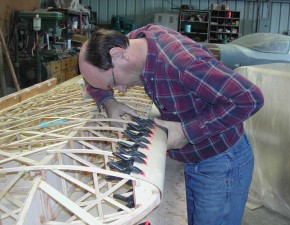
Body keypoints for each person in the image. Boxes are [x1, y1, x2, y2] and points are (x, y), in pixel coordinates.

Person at [79, 24, 264, 225]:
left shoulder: (182, 63)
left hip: (221, 161)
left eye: (114, 83)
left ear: (118, 55)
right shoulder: (133, 43)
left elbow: (249, 98)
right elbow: (92, 77)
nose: (121, 90)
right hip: (196, 157)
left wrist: (186, 130)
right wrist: (108, 100)